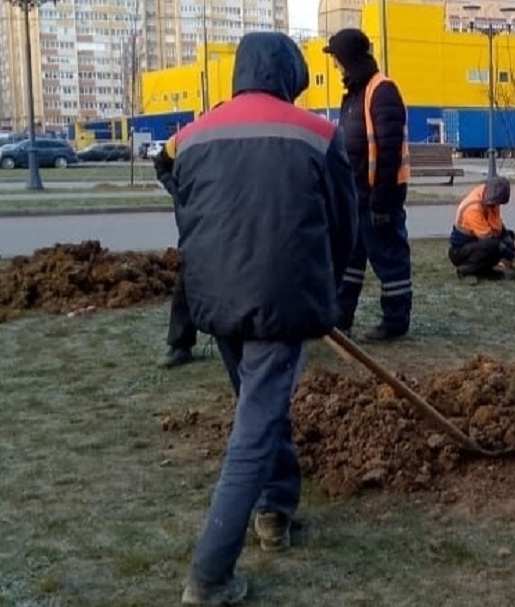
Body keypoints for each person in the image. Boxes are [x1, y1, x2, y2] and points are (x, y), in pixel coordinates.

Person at [155, 31, 357, 605]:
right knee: (255, 428)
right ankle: (210, 575)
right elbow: (344, 225)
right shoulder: (317, 134)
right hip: (280, 299)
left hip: (214, 301)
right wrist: (326, 288)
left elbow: (180, 195)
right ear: (292, 74)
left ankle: (274, 511)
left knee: (261, 408)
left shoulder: (193, 135)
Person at [322, 28, 413, 342]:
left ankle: (395, 323)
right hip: (355, 196)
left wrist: (382, 199)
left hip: (378, 195)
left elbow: (388, 149)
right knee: (350, 261)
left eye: (337, 59)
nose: (335, 66)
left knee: (389, 259)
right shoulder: (354, 93)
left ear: (348, 58)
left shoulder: (381, 90)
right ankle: (340, 320)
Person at [153, 152, 198, 369]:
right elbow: (161, 162)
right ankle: (180, 344)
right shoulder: (186, 138)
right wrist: (178, 191)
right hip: (196, 220)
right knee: (188, 277)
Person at [449, 176, 515, 282]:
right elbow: (487, 237)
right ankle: (465, 270)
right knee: (494, 246)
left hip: (475, 244)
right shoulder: (473, 208)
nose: (497, 206)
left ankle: (485, 271)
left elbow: (497, 228)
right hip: (460, 251)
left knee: (507, 237)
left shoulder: (491, 197)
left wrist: (507, 238)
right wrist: (509, 254)